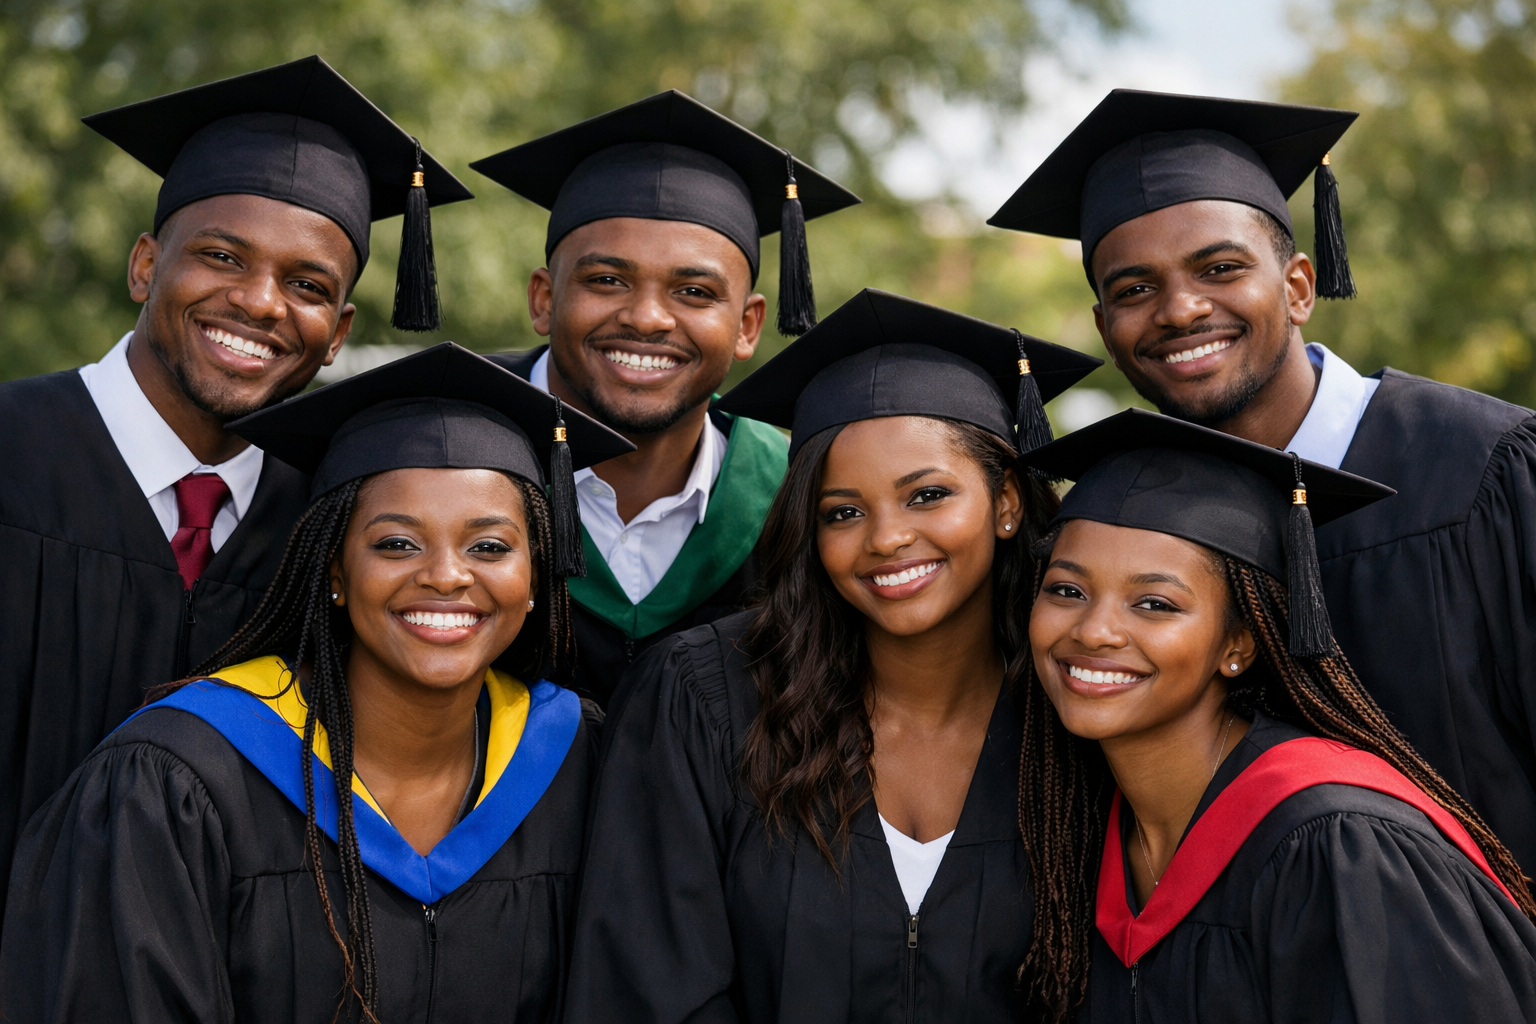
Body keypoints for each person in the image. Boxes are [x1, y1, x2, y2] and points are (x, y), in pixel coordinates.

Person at [990, 88, 1536, 880]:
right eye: (1134, 289)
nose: (1179, 309)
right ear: (1106, 329)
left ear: (1299, 287)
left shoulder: (1486, 467)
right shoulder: (1121, 531)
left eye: (1219, 268)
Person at [1, 343, 633, 1022]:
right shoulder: (179, 780)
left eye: (490, 546)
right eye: (396, 543)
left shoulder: (577, 763)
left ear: (535, 575)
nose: (447, 575)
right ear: (332, 569)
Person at [0, 55, 473, 923]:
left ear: (338, 336)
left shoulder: (328, 525)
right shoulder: (11, 453)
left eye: (308, 286)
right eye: (222, 257)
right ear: (146, 266)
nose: (259, 303)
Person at [565, 289, 1100, 1023]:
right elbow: (645, 987)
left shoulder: (1079, 713)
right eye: (842, 512)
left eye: (928, 495)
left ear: (1007, 502)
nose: (884, 539)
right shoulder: (707, 699)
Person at [1015, 407, 1536, 1022]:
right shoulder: (1083, 831)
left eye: (1154, 603)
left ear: (1239, 645)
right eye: (1067, 591)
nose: (1095, 630)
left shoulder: (1338, 842)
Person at [467, 91, 860, 706]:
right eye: (606, 281)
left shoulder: (796, 494)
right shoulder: (441, 449)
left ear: (748, 326)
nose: (648, 318)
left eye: (695, 292)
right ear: (544, 299)